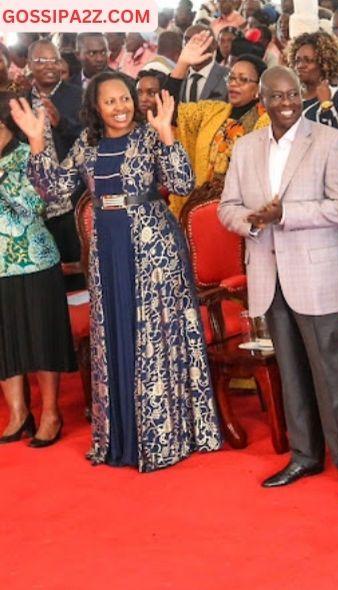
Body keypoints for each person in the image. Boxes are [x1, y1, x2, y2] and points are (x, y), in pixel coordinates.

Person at [17, 72, 223, 471]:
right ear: (96, 108)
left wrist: (166, 133)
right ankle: (124, 435)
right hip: (107, 248)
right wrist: (38, 141)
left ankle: (165, 435)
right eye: (110, 101)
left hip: (153, 247)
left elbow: (183, 182)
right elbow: (55, 191)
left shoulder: (149, 136)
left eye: (125, 98)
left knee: (154, 334)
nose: (120, 107)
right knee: (116, 333)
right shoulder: (88, 144)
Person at [218, 66, 338, 499]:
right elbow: (227, 205)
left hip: (317, 274)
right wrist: (251, 221)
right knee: (290, 371)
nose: (287, 103)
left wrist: (283, 215)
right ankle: (305, 455)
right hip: (269, 275)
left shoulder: (330, 141)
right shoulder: (246, 147)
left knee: (332, 371)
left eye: (293, 94)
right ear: (263, 100)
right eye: (277, 96)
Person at [0, 91, 77, 447]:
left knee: (42, 339)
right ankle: (18, 413)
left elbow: (36, 204)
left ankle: (50, 412)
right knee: (5, 343)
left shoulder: (29, 153)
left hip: (33, 259)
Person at [166, 32, 270, 214]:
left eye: (243, 80)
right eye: (231, 78)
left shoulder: (267, 122)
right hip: (202, 212)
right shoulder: (212, 112)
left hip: (244, 214)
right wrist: (182, 65)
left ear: (259, 88)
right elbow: (168, 111)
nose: (234, 84)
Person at [27, 40, 86, 291]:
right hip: (34, 201)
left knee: (76, 270)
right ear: (30, 65)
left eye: (54, 59)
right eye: (41, 61)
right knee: (48, 276)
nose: (49, 66)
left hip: (72, 198)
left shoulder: (77, 95)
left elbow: (89, 137)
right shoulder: (19, 99)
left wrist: (61, 122)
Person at [288, 31, 338, 132]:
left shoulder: (337, 96)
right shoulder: (293, 95)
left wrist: (326, 105)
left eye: (308, 60)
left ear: (324, 63)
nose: (300, 66)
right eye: (297, 60)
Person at [179, 25, 231, 103]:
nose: (189, 45)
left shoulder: (228, 76)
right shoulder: (177, 77)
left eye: (197, 40)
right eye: (187, 40)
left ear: (214, 45)